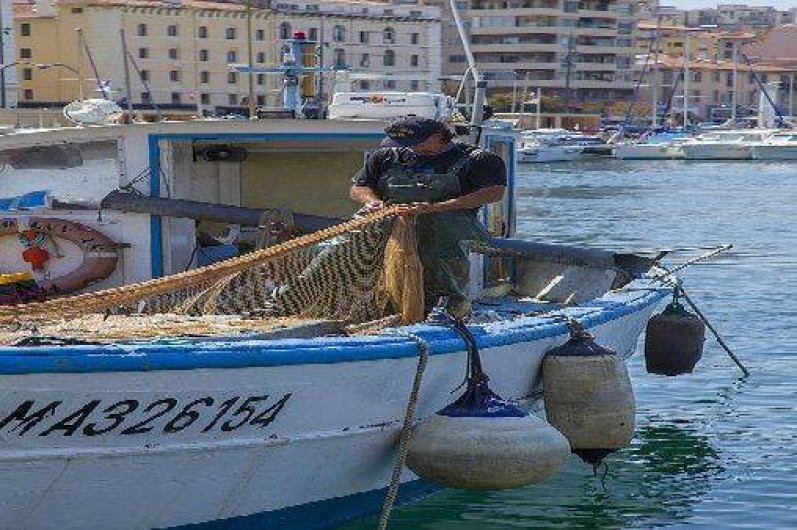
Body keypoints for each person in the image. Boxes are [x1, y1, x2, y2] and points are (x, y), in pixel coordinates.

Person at [351, 116, 506, 318]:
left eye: (416, 142)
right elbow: (358, 187)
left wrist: (435, 207)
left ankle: (451, 305)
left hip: (453, 224)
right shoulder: (386, 157)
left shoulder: (477, 159)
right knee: (354, 233)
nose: (410, 148)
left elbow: (493, 192)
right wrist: (371, 202)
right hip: (394, 221)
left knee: (434, 233)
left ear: (439, 136)